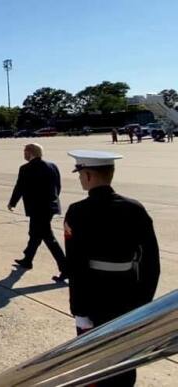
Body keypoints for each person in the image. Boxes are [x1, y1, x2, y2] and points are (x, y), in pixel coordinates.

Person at [64, 150, 160, 386]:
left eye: (80, 173)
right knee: (126, 357)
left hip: (94, 296)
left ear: (87, 175)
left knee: (94, 360)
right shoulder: (135, 208)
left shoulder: (78, 211)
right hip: (129, 293)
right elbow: (151, 263)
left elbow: (75, 265)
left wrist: (79, 309)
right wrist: (144, 302)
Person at [8, 144, 68, 282]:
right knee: (35, 234)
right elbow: (58, 187)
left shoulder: (26, 168)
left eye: (25, 152)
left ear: (30, 153)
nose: (23, 154)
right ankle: (27, 259)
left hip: (37, 208)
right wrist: (52, 201)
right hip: (50, 207)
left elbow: (20, 187)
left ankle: (66, 268)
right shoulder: (52, 166)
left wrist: (12, 203)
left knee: (48, 237)